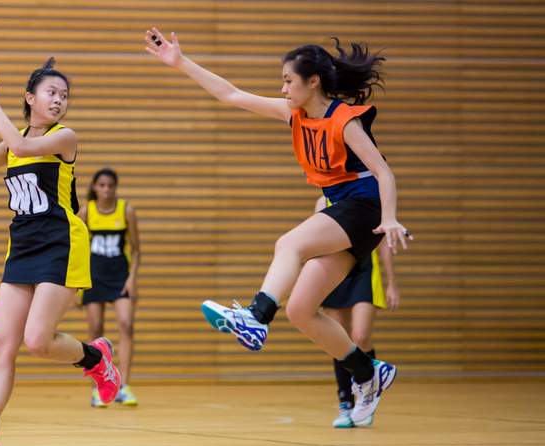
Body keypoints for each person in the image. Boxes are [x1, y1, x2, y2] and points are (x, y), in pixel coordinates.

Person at [145, 28, 412, 425]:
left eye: (288, 80)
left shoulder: (344, 120)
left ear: (312, 81)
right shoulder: (294, 114)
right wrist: (180, 62)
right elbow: (230, 94)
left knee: (289, 244)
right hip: (344, 208)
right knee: (303, 311)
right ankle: (368, 372)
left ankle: (256, 317)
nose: (283, 87)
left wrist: (389, 216)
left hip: (364, 206)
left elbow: (383, 172)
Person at [0, 58, 121, 446]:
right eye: (51, 93)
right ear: (30, 98)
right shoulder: (12, 140)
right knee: (2, 344)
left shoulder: (64, 138)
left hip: (62, 243)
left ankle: (95, 359)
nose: (59, 100)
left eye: (64, 95)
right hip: (21, 246)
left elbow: (21, 149)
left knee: (37, 341)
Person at [315, 196, 399, 428]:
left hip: (364, 270)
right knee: (338, 338)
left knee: (361, 336)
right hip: (335, 270)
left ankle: (368, 396)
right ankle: (346, 403)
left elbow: (383, 245)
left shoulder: (368, 199)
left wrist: (391, 282)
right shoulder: (323, 202)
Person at [79, 168, 140, 407]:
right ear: (95, 187)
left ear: (115, 187)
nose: (106, 190)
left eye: (110, 186)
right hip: (94, 277)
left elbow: (136, 250)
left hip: (119, 277)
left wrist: (132, 279)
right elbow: (77, 249)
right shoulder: (87, 211)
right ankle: (98, 388)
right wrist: (77, 284)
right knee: (95, 329)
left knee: (126, 324)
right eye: (102, 185)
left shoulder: (126, 210)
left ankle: (123, 386)